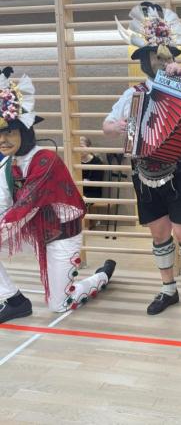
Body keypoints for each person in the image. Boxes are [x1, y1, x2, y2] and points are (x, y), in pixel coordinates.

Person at [103, 2, 181, 322]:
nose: (163, 60)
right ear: (145, 59)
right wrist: (121, 126)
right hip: (144, 170)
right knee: (159, 234)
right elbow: (106, 126)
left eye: (167, 55)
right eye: (157, 55)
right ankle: (169, 289)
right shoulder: (133, 94)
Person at [0, 67, 116, 323]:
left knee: (60, 304)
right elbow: (2, 202)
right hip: (33, 231)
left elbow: (24, 207)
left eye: (9, 132)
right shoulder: (8, 163)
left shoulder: (45, 160)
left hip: (60, 234)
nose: (3, 139)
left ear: (25, 130)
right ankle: (13, 299)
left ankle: (102, 276)